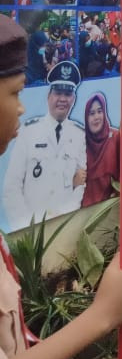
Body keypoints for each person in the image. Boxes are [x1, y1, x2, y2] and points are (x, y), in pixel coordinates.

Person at [0, 15, 122, 359]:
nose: (20, 108)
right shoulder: (31, 134)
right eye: (15, 93)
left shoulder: (80, 135)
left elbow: (82, 185)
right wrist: (104, 313)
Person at [2, 61, 87, 231]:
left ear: (74, 98)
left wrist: (65, 218)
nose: (63, 99)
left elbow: (81, 184)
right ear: (49, 96)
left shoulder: (80, 135)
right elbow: (11, 187)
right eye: (58, 93)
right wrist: (25, 227)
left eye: (68, 93)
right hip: (30, 230)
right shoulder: (28, 131)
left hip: (65, 226)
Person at [81, 93, 120, 208]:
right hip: (83, 213)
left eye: (100, 111)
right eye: (91, 113)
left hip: (111, 208)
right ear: (86, 118)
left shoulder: (116, 137)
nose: (97, 117)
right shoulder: (81, 143)